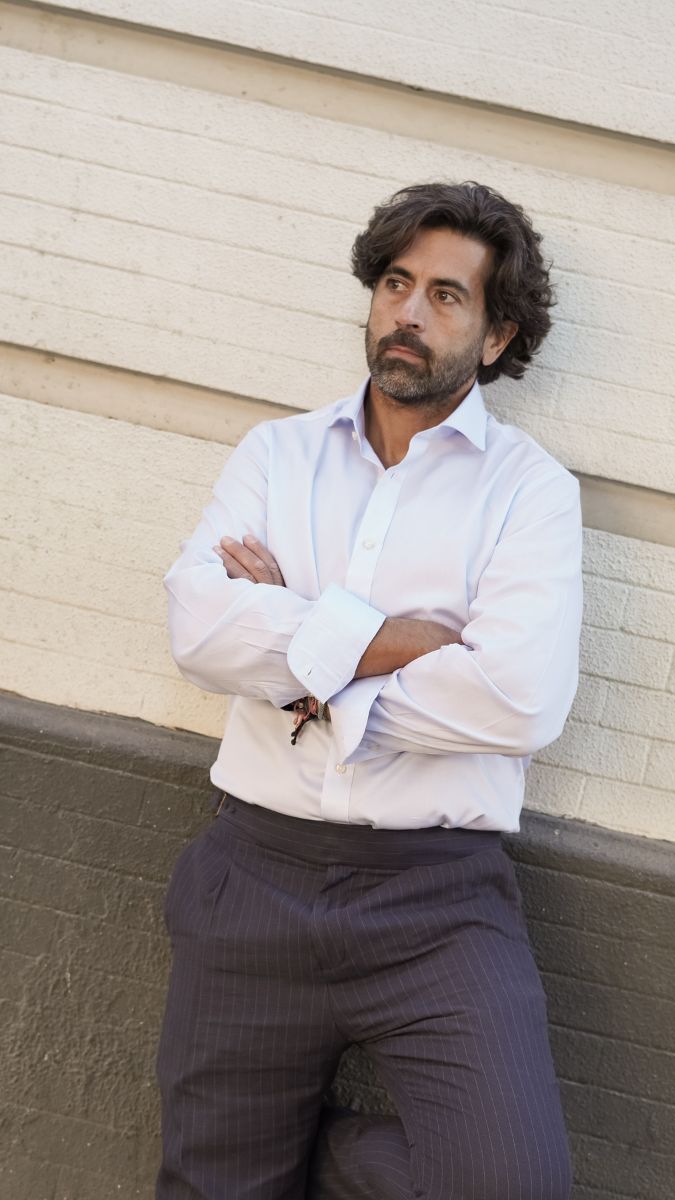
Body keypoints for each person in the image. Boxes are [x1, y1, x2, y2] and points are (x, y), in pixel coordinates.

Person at [158, 180, 582, 1200]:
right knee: (209, 1186)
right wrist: (396, 641)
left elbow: (518, 701)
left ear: (495, 336)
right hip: (252, 875)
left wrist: (301, 665)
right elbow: (199, 628)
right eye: (396, 283)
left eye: (446, 295)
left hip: (438, 902)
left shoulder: (529, 492)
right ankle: (245, 1149)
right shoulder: (278, 454)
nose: (408, 312)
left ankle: (292, 1150)